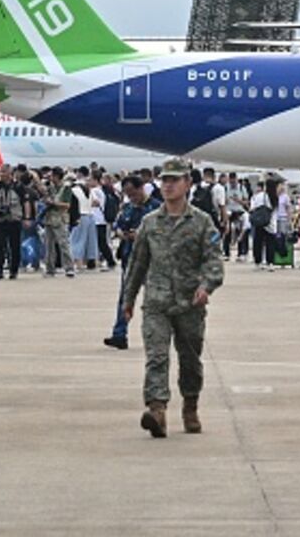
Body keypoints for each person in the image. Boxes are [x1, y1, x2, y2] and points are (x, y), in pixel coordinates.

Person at [122, 159, 223, 438]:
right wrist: (128, 299)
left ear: (187, 184)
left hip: (190, 303)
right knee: (156, 356)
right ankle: (157, 411)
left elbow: (214, 261)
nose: (168, 185)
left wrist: (207, 286)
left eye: (174, 180)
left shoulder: (202, 222)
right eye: (164, 180)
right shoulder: (150, 223)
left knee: (190, 359)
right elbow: (138, 265)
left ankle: (190, 406)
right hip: (156, 302)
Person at [104, 175, 160, 351]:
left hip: (151, 261)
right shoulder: (127, 208)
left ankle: (158, 336)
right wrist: (121, 233)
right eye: (127, 194)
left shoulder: (156, 208)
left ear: (141, 188)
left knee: (155, 300)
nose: (131, 197)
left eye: (133, 193)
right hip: (130, 259)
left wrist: (142, 236)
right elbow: (117, 225)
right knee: (125, 299)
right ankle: (119, 334)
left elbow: (163, 232)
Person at [0, 166, 29, 280]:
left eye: (4, 172)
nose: (2, 174)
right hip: (1, 221)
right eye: (1, 172)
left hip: (14, 219)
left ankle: (13, 270)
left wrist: (26, 218)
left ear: (11, 174)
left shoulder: (19, 187)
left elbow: (25, 202)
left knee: (14, 246)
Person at [40, 169, 75, 278]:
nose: (50, 178)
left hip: (60, 219)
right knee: (49, 246)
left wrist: (54, 203)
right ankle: (50, 268)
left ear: (57, 176)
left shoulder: (66, 188)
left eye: (52, 176)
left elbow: (67, 205)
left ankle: (69, 267)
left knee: (63, 244)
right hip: (49, 219)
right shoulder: (49, 188)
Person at [248, 181, 276, 270]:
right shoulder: (274, 197)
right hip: (270, 222)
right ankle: (270, 262)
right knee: (270, 242)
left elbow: (252, 208)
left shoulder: (259, 196)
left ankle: (258, 262)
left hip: (259, 221)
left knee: (258, 242)